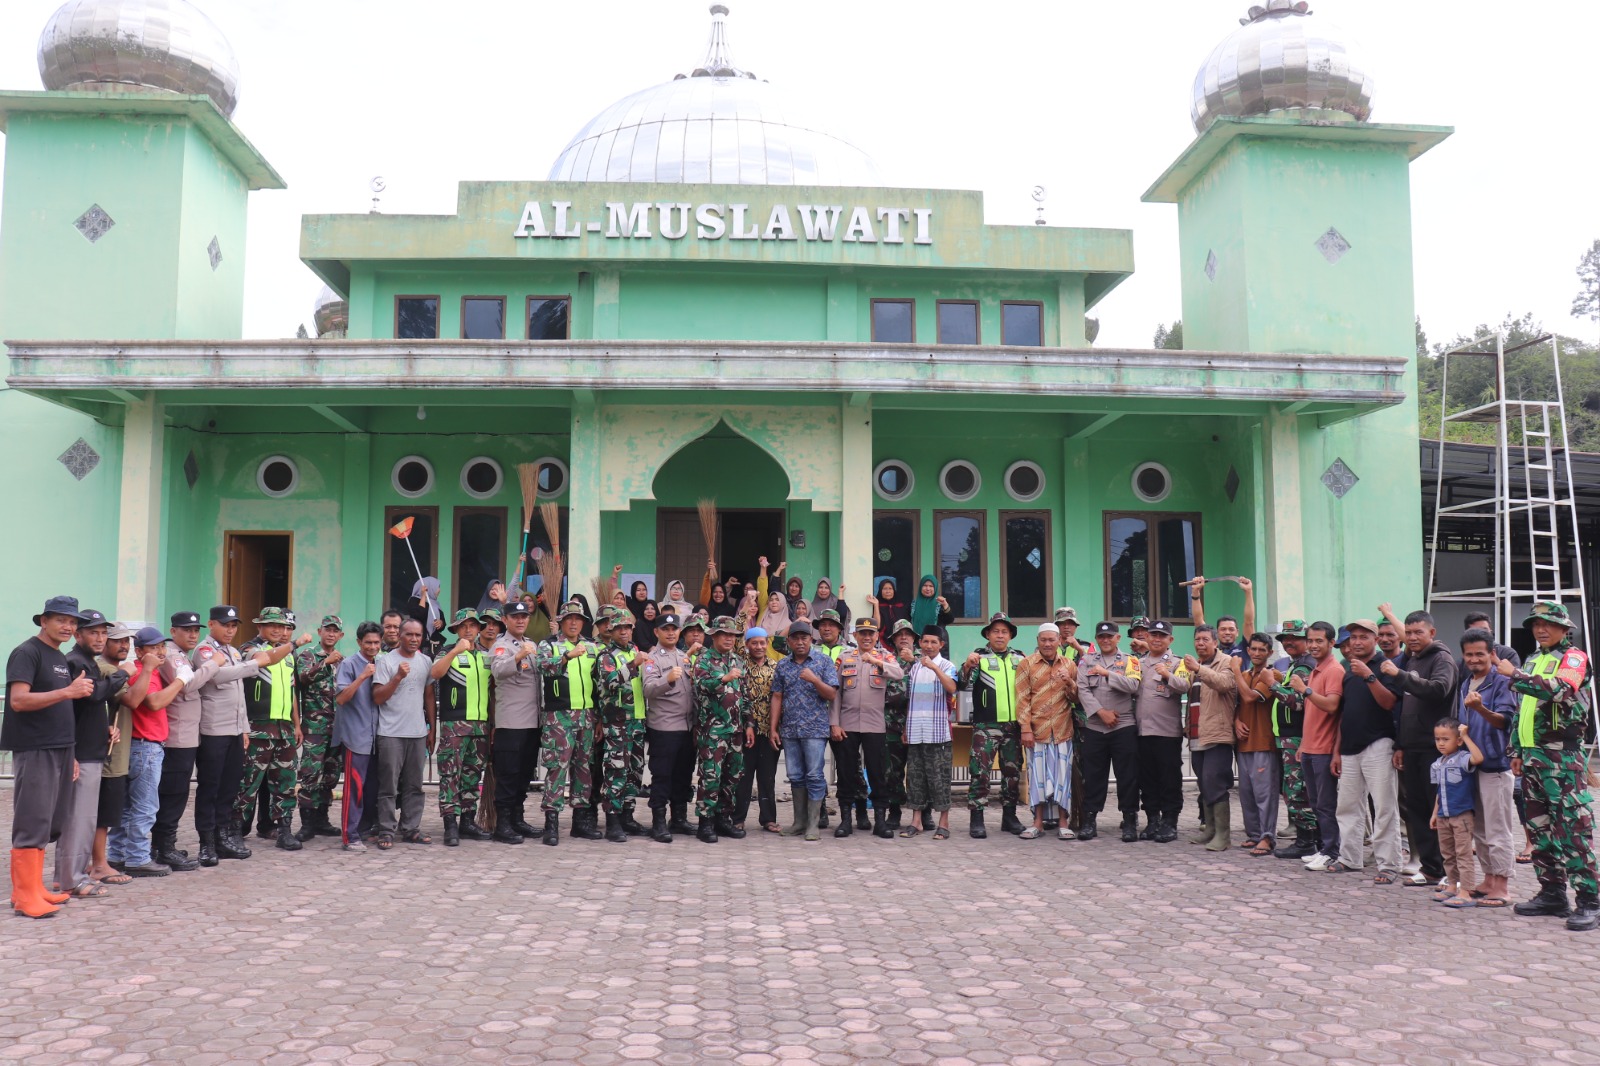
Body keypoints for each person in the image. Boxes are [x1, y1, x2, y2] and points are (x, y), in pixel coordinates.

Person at [1500, 602, 1598, 929]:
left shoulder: (1573, 658)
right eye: (1535, 624)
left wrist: (1514, 674)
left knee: (1573, 832)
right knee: (1540, 830)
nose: (1541, 630)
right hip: (1532, 757)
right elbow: (1522, 709)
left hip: (1562, 759)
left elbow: (1561, 690)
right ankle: (1552, 893)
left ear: (1565, 628)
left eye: (1549, 624)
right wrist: (1516, 748)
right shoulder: (1533, 658)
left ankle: (1590, 901)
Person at [5, 597, 102, 916]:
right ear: (43, 621)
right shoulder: (27, 652)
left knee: (49, 820)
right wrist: (68, 692)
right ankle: (23, 895)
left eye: (73, 622)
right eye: (61, 620)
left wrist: (70, 753)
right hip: (35, 747)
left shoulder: (57, 656)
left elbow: (62, 711)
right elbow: (19, 700)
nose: (68, 626)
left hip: (60, 748)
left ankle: (35, 887)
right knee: (32, 818)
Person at [192, 605, 290, 863]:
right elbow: (219, 677)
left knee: (229, 788)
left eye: (234, 625)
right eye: (225, 625)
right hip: (213, 730)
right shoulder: (205, 651)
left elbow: (240, 696)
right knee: (210, 788)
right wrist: (253, 665)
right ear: (212, 624)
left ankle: (223, 838)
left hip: (236, 730)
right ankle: (207, 843)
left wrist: (245, 728)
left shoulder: (233, 651)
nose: (230, 630)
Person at [1380, 608, 1457, 888]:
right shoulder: (1414, 657)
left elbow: (1438, 690)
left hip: (1435, 749)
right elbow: (1408, 707)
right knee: (1417, 810)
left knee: (1440, 811)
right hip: (1412, 748)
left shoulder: (1441, 658)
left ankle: (1451, 872)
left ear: (1432, 633)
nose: (1411, 637)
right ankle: (1431, 869)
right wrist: (1401, 744)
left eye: (1418, 633)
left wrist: (1400, 675)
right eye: (1408, 633)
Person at [54, 609, 124, 898]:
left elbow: (89, 708)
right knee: (78, 820)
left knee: (84, 819)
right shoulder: (74, 661)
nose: (99, 637)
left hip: (92, 749)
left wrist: (106, 728)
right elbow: (91, 695)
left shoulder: (88, 662)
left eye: (103, 632)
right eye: (93, 632)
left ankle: (69, 877)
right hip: (80, 754)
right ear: (78, 634)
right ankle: (71, 880)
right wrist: (123, 675)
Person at [108, 627, 187, 878]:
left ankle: (117, 854)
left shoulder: (138, 670)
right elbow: (154, 703)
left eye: (162, 647)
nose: (160, 652)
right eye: (154, 648)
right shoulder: (145, 672)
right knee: (145, 807)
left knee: (127, 807)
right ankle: (138, 857)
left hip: (136, 745)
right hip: (146, 745)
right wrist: (181, 680)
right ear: (140, 651)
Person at [1329, 619, 1404, 878]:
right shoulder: (1348, 670)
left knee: (1384, 808)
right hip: (1349, 748)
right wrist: (1337, 751)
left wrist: (1370, 676)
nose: (1357, 642)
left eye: (1363, 637)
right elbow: (1343, 714)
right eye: (1353, 637)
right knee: (1348, 806)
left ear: (1375, 639)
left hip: (1379, 744)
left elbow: (1389, 703)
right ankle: (1349, 858)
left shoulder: (1385, 666)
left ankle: (1389, 865)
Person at [151, 610, 224, 873]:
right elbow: (189, 685)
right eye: (186, 630)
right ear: (173, 632)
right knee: (173, 794)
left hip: (187, 734)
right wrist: (214, 662)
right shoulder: (171, 654)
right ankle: (164, 848)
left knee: (177, 793)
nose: (193, 635)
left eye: (195, 630)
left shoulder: (179, 654)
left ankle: (162, 845)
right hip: (177, 736)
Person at [233, 608, 307, 853]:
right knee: (248, 783)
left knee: (286, 782)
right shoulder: (249, 649)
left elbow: (293, 691)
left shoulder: (288, 655)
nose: (278, 630)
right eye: (272, 625)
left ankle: (283, 829)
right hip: (258, 728)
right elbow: (267, 658)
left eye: (282, 626)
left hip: (283, 729)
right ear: (259, 627)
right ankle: (235, 830)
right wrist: (294, 643)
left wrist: (296, 724)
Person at [1452, 628, 1517, 906]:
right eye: (1469, 654)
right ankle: (1488, 878)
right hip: (1471, 766)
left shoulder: (1502, 681)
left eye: (1480, 653)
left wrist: (1480, 709)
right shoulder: (1467, 683)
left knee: (1498, 828)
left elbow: (1505, 720)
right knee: (1479, 828)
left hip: (1495, 766)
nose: (1474, 659)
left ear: (1492, 653)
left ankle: (1501, 886)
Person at [830, 618, 903, 840]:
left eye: (871, 633)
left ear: (876, 635)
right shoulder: (844, 658)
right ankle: (845, 820)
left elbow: (898, 673)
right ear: (855, 636)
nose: (867, 637)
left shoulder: (885, 656)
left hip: (875, 725)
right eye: (862, 633)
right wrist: (834, 722)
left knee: (877, 772)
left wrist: (876, 661)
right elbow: (836, 694)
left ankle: (880, 821)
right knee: (846, 772)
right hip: (848, 724)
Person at [536, 600, 600, 845]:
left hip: (586, 716)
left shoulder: (592, 647)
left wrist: (598, 719)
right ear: (561, 621)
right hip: (559, 716)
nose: (573, 622)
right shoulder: (549, 645)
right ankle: (551, 823)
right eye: (569, 619)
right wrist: (566, 657)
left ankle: (580, 822)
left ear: (583, 622)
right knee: (557, 767)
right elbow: (543, 666)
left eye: (578, 618)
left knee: (584, 768)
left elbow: (599, 683)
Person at [1282, 621, 1344, 870]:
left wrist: (1304, 690)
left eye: (1319, 640)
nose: (1314, 645)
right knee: (1316, 802)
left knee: (1326, 804)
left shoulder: (1334, 670)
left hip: (1325, 749)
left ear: (1331, 643)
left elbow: (1331, 706)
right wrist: (1303, 744)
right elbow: (1311, 715)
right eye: (1311, 640)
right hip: (1309, 747)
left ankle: (1331, 850)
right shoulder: (1317, 669)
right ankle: (1323, 848)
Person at [770, 620, 840, 841]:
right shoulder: (783, 665)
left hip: (815, 729)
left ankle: (813, 823)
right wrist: (774, 728)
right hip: (790, 729)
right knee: (795, 776)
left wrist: (814, 679)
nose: (800, 642)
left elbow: (831, 694)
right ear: (789, 641)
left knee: (814, 775)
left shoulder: (823, 661)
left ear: (811, 639)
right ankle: (799, 821)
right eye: (796, 638)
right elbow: (777, 697)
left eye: (804, 638)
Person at [960, 612, 1026, 839]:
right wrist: (967, 666)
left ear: (1010, 636)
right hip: (986, 726)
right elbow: (962, 682)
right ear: (988, 634)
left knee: (1012, 772)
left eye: (1004, 631)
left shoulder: (1020, 658)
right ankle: (976, 818)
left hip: (1013, 726)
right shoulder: (979, 657)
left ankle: (1010, 817)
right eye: (996, 631)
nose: (1000, 635)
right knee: (980, 771)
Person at [371, 619, 436, 848]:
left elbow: (428, 695)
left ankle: (411, 828)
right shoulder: (386, 661)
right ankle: (386, 830)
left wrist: (431, 729)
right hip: (390, 733)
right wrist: (397, 676)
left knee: (414, 785)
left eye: (418, 635)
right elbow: (378, 697)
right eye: (409, 634)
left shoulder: (426, 661)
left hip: (417, 732)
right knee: (389, 786)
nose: (414, 639)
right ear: (399, 635)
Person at [431, 608, 492, 846]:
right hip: (454, 724)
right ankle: (450, 825)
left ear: (479, 629)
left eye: (473, 625)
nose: (469, 629)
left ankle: (467, 822)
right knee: (450, 775)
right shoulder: (447, 651)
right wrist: (456, 650)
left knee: (472, 775)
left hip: (480, 725)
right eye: (463, 625)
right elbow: (435, 673)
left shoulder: (486, 654)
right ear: (456, 629)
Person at [1076, 621, 1141, 842]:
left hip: (1123, 725)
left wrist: (1107, 674)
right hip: (1095, 726)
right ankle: (1090, 820)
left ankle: (1130, 820)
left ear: (1118, 638)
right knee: (1093, 776)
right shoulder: (1086, 660)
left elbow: (1133, 686)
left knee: (1128, 776)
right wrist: (1100, 712)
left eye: (1110, 636)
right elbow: (1082, 689)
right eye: (1101, 637)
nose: (1105, 640)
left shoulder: (1130, 660)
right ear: (1096, 639)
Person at [1015, 622, 1077, 841]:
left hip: (1062, 730)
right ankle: (1037, 823)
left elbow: (1076, 699)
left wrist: (1069, 681)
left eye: (1052, 639)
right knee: (1038, 778)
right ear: (1038, 641)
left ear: (1059, 641)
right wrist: (1025, 729)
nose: (1048, 644)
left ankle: (1063, 822)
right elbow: (1022, 699)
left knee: (1062, 778)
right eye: (1044, 640)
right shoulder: (1026, 664)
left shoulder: (1069, 664)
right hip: (1037, 731)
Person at [486, 600, 542, 844]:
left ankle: (518, 818)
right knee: (508, 774)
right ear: (505, 620)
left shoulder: (531, 644)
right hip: (510, 722)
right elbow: (498, 671)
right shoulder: (502, 645)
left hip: (532, 721)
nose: (520, 620)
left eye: (524, 616)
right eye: (515, 616)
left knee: (524, 774)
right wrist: (519, 655)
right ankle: (503, 823)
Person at [689, 616, 746, 843]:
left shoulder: (738, 661)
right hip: (712, 730)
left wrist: (748, 724)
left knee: (732, 777)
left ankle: (724, 818)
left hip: (736, 730)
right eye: (725, 634)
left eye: (733, 635)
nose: (729, 639)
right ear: (714, 636)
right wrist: (724, 678)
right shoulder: (703, 660)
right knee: (710, 777)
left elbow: (745, 695)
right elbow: (702, 685)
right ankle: (706, 822)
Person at [592, 608, 647, 842]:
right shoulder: (606, 655)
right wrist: (633, 664)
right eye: (619, 628)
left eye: (627, 627)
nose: (624, 632)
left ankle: (627, 815)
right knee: (616, 771)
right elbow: (609, 681)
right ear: (610, 630)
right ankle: (612, 819)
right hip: (617, 722)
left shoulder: (636, 650)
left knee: (634, 771)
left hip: (638, 720)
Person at [89, 626, 138, 887]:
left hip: (115, 751)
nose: (124, 645)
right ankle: (99, 864)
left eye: (127, 641)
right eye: (117, 641)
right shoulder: (107, 669)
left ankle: (93, 861)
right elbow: (135, 700)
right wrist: (147, 669)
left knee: (104, 812)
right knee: (103, 814)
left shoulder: (114, 669)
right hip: (110, 754)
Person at [1184, 624, 1240, 852]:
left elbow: (1224, 684)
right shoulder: (1194, 668)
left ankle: (1223, 836)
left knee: (1215, 781)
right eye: (1197, 639)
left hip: (1218, 734)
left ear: (1215, 642)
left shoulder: (1226, 662)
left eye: (1206, 639)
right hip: (1197, 734)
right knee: (1204, 782)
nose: (1200, 643)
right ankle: (1209, 829)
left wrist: (1198, 668)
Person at [1133, 620, 1189, 844]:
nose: (1156, 639)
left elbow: (1184, 686)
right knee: (1147, 779)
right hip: (1142, 731)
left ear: (1170, 640)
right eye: (1153, 634)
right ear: (1146, 637)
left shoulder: (1179, 663)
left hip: (1167, 732)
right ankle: (1152, 820)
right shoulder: (1137, 663)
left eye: (1162, 636)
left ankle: (1170, 822)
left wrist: (1167, 674)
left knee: (1169, 779)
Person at [641, 613, 696, 842]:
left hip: (687, 727)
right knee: (662, 776)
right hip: (664, 727)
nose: (671, 632)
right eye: (666, 629)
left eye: (674, 628)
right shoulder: (652, 659)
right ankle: (659, 822)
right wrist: (668, 680)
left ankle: (679, 818)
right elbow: (648, 689)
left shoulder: (685, 657)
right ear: (657, 632)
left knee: (683, 775)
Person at [899, 626, 958, 839]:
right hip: (916, 731)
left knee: (939, 778)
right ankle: (916, 822)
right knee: (915, 777)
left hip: (938, 733)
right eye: (925, 642)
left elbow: (952, 688)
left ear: (941, 645)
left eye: (934, 642)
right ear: (920, 644)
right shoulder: (914, 668)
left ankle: (944, 822)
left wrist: (934, 668)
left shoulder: (947, 665)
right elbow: (910, 700)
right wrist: (906, 727)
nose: (929, 646)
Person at [1267, 620, 1319, 859]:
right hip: (1289, 738)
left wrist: (1273, 685)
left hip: (1297, 738)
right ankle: (1309, 839)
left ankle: (1307, 842)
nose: (1288, 642)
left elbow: (1298, 702)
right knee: (1294, 789)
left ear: (1307, 641)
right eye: (1285, 639)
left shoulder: (1304, 667)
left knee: (1297, 791)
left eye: (1294, 638)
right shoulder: (1296, 665)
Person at [290, 616, 345, 843]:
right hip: (314, 726)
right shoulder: (308, 655)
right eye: (327, 630)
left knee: (331, 776)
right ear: (319, 631)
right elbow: (302, 679)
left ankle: (322, 819)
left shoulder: (344, 660)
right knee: (311, 774)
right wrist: (326, 662)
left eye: (336, 631)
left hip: (337, 728)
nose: (331, 634)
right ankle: (307, 824)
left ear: (341, 635)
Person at [333, 622, 383, 851]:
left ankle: (364, 829)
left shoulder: (383, 662)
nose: (372, 647)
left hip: (378, 738)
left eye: (376, 642)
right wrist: (363, 676)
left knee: (373, 788)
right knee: (354, 789)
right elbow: (342, 698)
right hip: (356, 736)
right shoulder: (349, 664)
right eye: (368, 642)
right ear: (359, 642)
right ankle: (349, 836)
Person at [1234, 633, 1281, 855]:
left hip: (1264, 742)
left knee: (1265, 794)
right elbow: (1237, 704)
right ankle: (1253, 835)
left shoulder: (1272, 675)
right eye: (1253, 649)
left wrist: (1234, 671)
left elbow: (1251, 697)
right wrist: (1235, 721)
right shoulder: (1244, 674)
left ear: (1270, 652)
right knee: (1246, 793)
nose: (1256, 653)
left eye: (1262, 649)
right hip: (1243, 743)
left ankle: (1267, 837)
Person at [1431, 719, 1486, 908]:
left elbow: (1478, 758)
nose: (1441, 743)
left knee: (1463, 854)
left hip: (1461, 815)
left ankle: (1466, 891)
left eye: (1446, 739)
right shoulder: (1437, 763)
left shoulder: (1463, 758)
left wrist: (1466, 737)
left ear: (1458, 741)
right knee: (1448, 854)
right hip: (1443, 815)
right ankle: (1452, 885)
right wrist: (1434, 814)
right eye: (1437, 739)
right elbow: (1440, 791)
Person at [735, 626, 779, 833]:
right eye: (754, 643)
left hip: (769, 730)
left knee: (767, 776)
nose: (759, 647)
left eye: (762, 643)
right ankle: (738, 818)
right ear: (747, 645)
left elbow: (780, 698)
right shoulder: (740, 664)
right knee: (743, 776)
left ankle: (768, 819)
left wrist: (775, 728)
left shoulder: (776, 667)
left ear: (767, 644)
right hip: (746, 730)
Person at [880, 618, 918, 829]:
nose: (904, 637)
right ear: (893, 640)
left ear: (914, 639)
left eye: (908, 634)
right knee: (892, 772)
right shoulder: (886, 660)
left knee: (918, 772)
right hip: (891, 724)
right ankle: (894, 811)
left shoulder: (923, 660)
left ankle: (923, 812)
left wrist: (914, 661)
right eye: (899, 635)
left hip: (918, 725)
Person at [907, 576, 954, 648]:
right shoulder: (913, 605)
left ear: (935, 588)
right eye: (925, 586)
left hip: (936, 644)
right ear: (920, 587)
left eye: (931, 586)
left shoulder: (940, 604)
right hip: (917, 644)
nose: (928, 589)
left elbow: (949, 620)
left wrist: (945, 604)